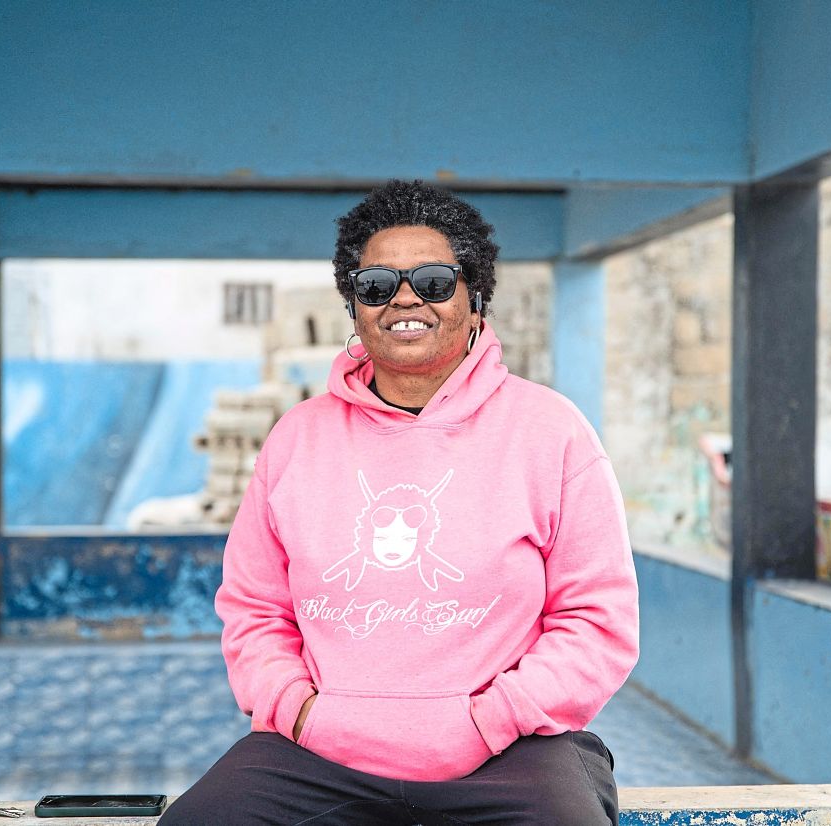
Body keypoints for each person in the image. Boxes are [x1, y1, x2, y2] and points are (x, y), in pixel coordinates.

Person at [160, 180, 639, 825]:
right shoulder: (296, 438)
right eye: (377, 284)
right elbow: (254, 608)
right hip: (321, 749)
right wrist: (296, 707)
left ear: (476, 299)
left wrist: (492, 719)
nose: (405, 298)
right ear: (355, 307)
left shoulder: (552, 431)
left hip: (508, 748)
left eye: (435, 280)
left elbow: (597, 619)